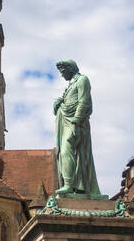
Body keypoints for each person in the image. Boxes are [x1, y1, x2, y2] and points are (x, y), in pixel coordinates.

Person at [53, 60, 101, 195]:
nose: (62, 75)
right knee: (64, 152)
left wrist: (77, 120)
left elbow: (84, 101)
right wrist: (58, 103)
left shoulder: (82, 80)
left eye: (63, 72)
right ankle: (73, 185)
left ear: (70, 68)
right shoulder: (70, 85)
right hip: (66, 120)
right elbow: (69, 101)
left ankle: (69, 184)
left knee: (66, 150)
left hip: (76, 122)